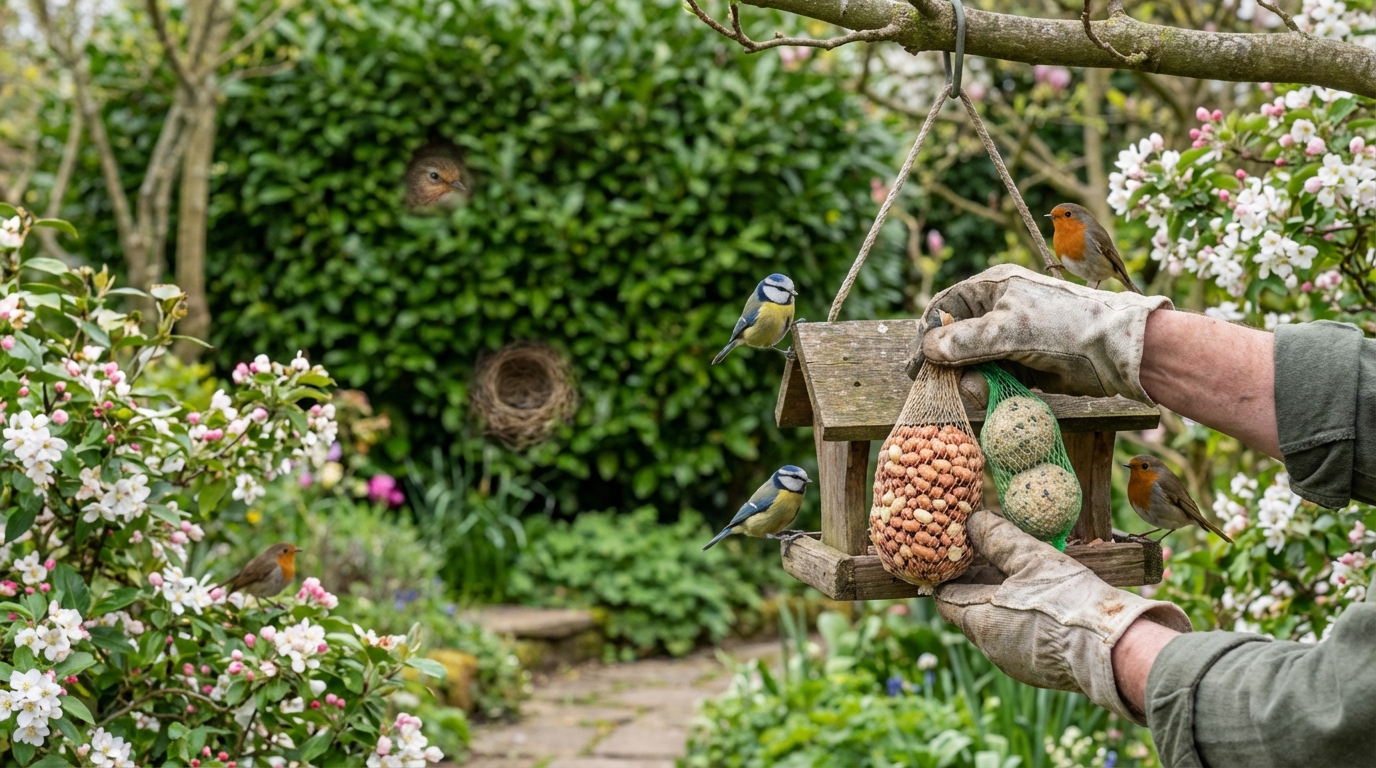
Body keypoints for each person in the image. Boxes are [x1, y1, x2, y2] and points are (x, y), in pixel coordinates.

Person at [905, 264, 1376, 767]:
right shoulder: (1141, 477)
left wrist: (1098, 637)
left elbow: (1338, 715)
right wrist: (1123, 338)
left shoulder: (1163, 486)